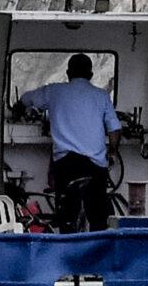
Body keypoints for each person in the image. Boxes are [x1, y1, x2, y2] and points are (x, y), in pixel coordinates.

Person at [20, 55, 122, 232]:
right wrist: (112, 152)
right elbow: (115, 130)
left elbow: (26, 99)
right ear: (91, 74)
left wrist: (20, 107)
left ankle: (67, 241)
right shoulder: (102, 96)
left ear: (68, 73)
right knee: (99, 219)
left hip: (66, 166)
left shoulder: (54, 91)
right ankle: (98, 250)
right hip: (95, 166)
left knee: (67, 217)